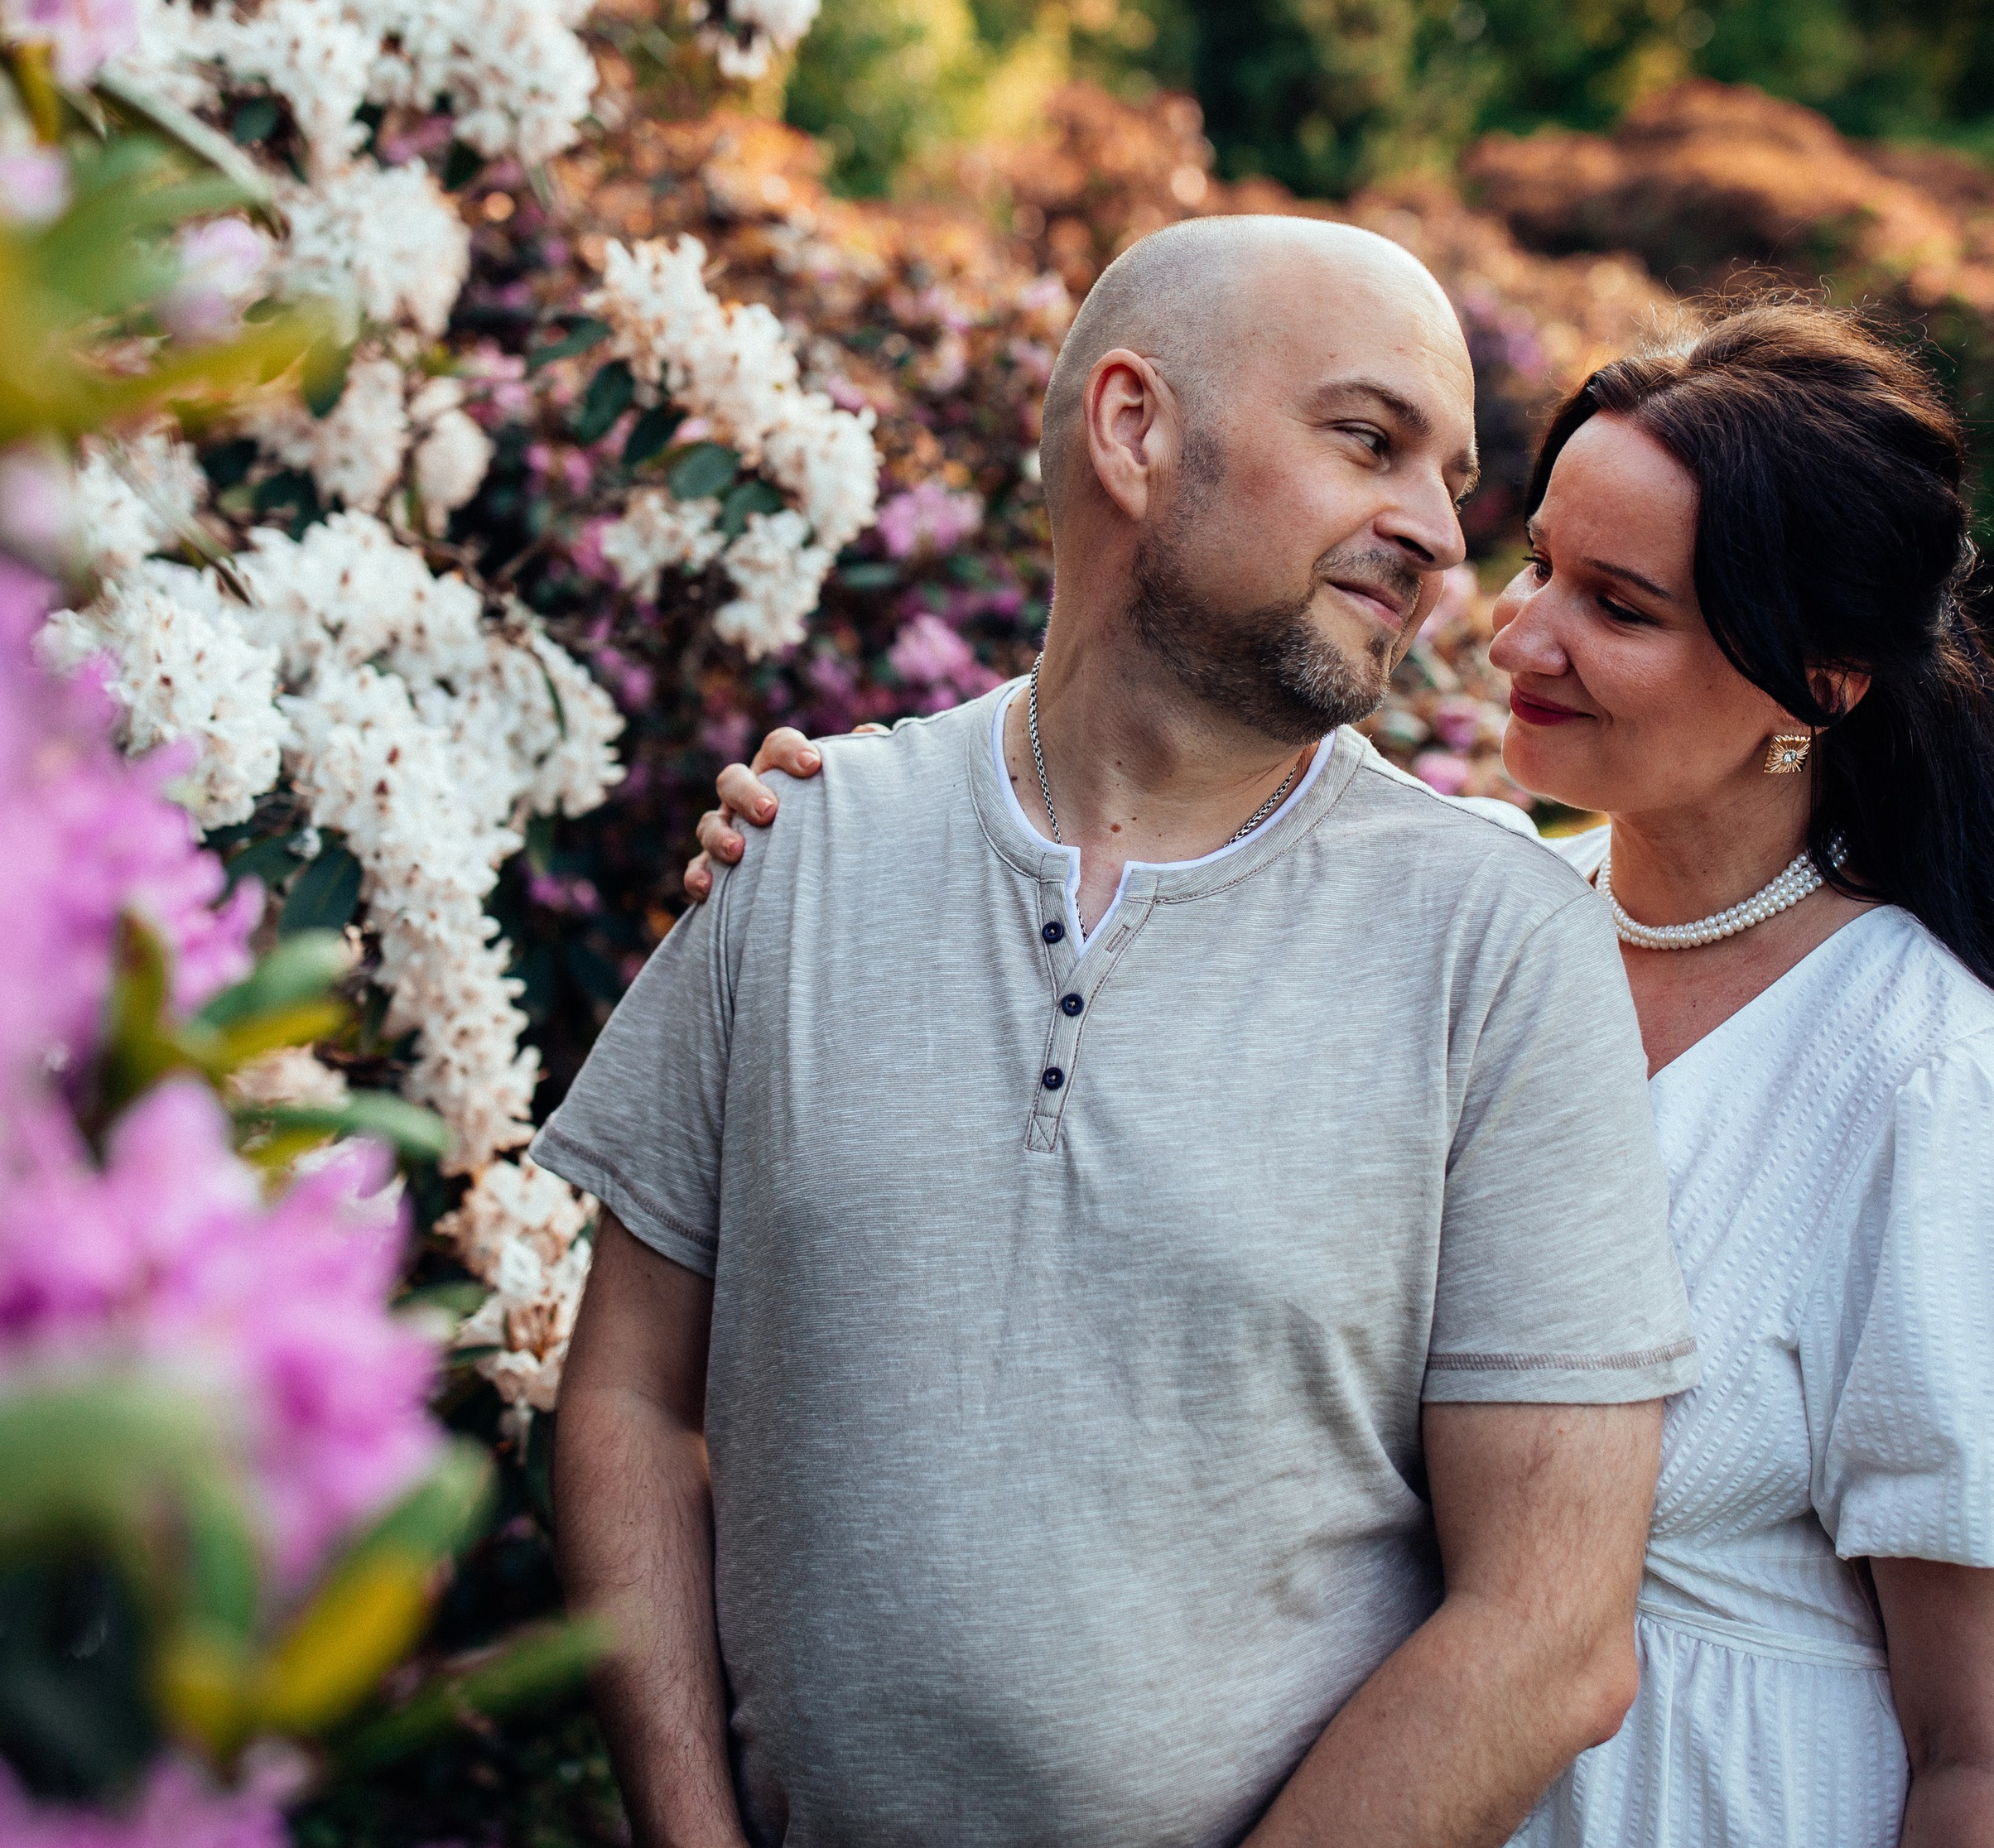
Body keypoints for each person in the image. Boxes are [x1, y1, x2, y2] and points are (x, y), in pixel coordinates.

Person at [697, 300, 1994, 1846]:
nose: (1521, 638)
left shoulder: (1927, 1085)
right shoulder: (1461, 929)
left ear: (1826, 680)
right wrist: (846, 826)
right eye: (1538, 566)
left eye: (1621, 604)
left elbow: (1982, 1752)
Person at [542, 214, 1701, 1848]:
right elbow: (625, 1401)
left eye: (1451, 474)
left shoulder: (1496, 947)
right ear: (1134, 429)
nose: (1437, 534)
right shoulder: (803, 844)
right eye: (1370, 439)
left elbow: (1551, 1631)